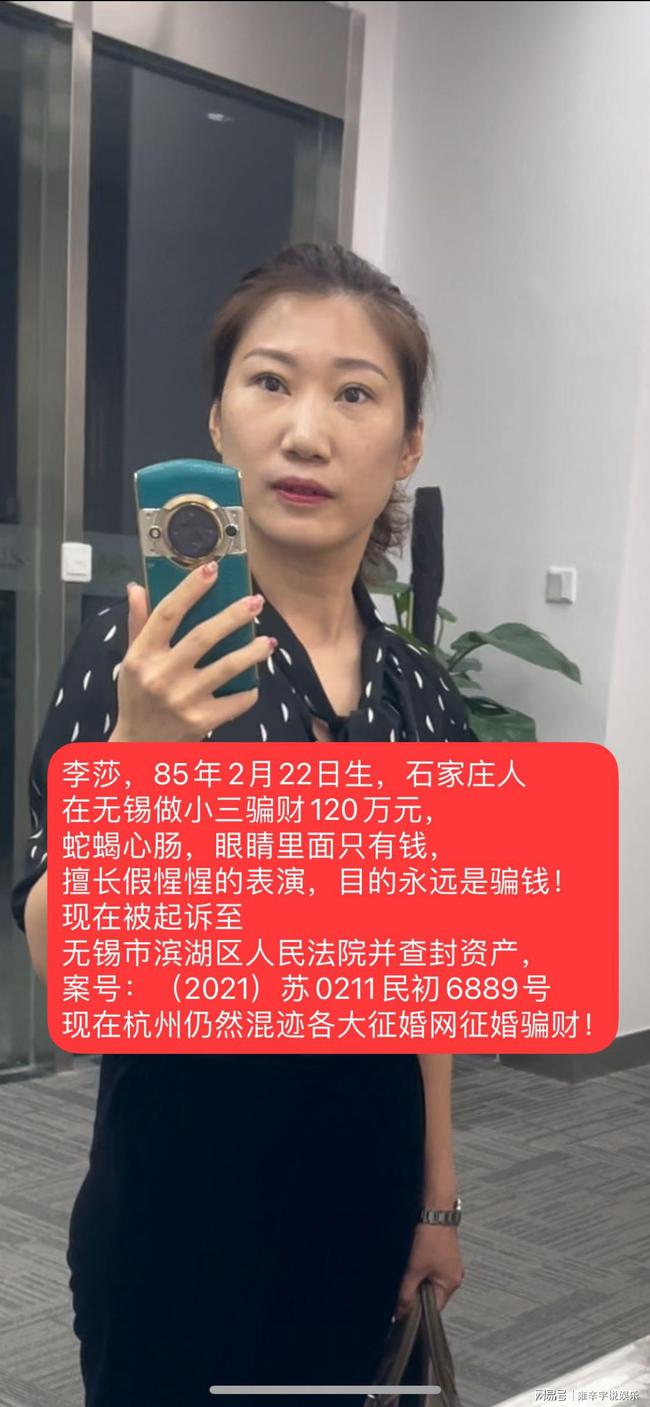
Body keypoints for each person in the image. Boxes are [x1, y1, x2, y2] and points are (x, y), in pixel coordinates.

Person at [11, 241, 473, 1407]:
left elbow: (425, 979)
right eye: (269, 382)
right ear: (218, 421)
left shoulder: (421, 698)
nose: (305, 432)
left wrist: (435, 1199)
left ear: (407, 445)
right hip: (178, 1213)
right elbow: (68, 975)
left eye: (354, 394)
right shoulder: (142, 655)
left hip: (363, 1200)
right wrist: (144, 757)